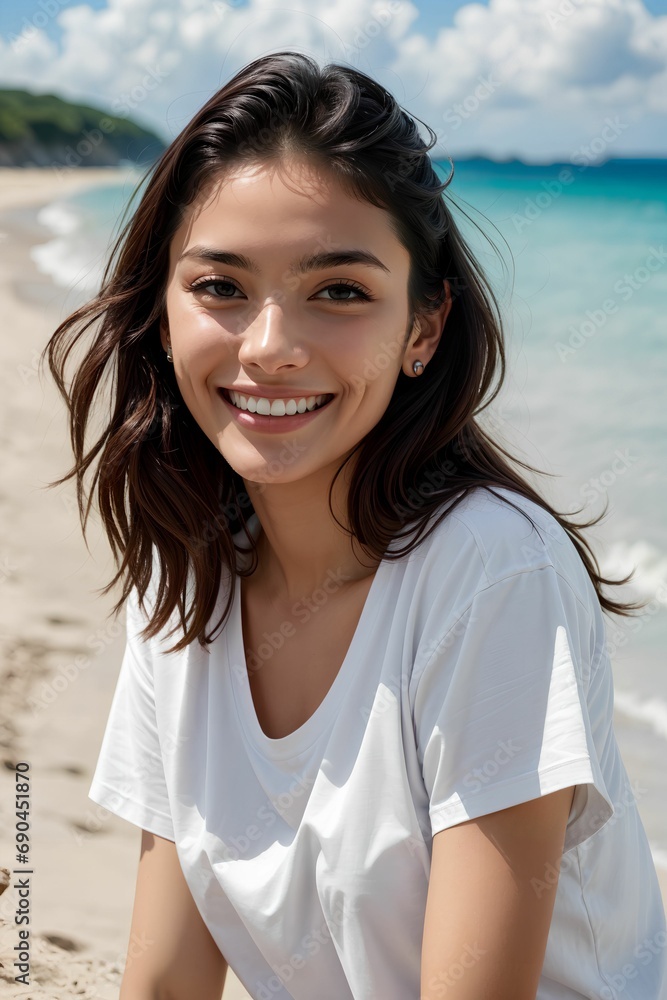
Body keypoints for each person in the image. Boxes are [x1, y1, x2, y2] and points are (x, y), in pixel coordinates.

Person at [43, 50, 666, 1000]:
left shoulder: (491, 568)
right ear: (162, 314)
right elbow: (166, 980)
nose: (270, 348)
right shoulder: (183, 590)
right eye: (220, 287)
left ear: (422, 329)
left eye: (338, 291)